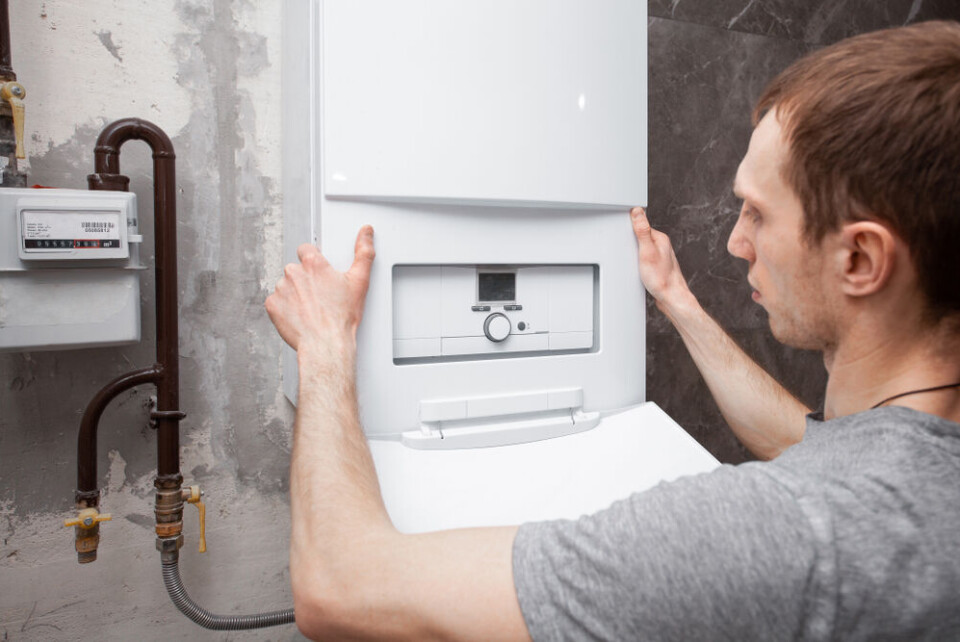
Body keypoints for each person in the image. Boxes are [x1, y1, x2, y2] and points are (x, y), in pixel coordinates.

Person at [265, 20, 960, 640]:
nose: (735, 244)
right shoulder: (916, 470)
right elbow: (810, 443)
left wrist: (326, 350)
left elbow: (341, 591)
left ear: (861, 259)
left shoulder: (778, 536)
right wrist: (676, 300)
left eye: (757, 213)